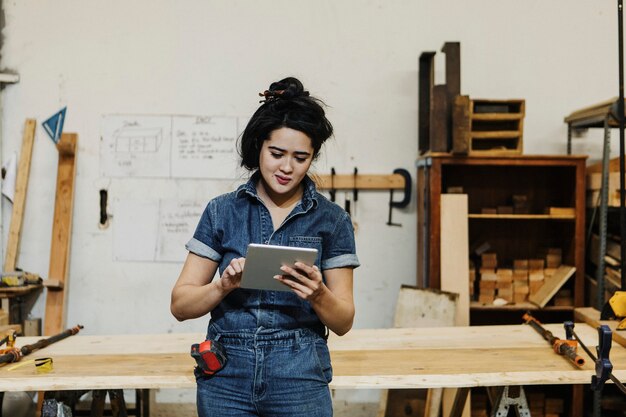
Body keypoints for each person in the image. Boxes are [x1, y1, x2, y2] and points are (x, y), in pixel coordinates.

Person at [170, 76, 359, 417]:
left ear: (312, 157)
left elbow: (343, 321)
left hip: (299, 372)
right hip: (226, 373)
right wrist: (224, 285)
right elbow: (181, 305)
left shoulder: (332, 220)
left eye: (301, 158)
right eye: (276, 154)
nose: (287, 168)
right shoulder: (221, 211)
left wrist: (318, 294)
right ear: (258, 146)